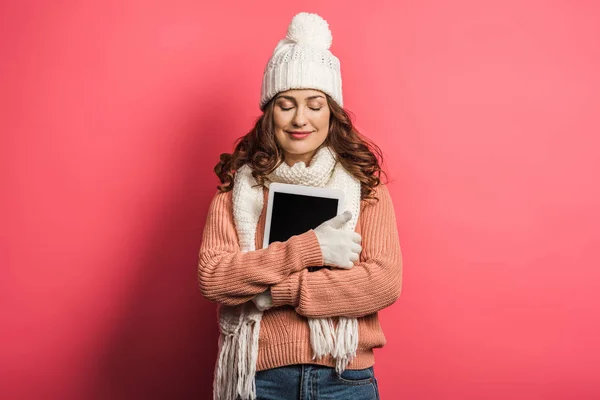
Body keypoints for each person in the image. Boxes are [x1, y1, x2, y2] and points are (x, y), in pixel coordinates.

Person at [198, 12, 402, 400]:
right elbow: (214, 276)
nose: (300, 119)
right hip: (260, 379)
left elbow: (381, 282)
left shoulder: (364, 187)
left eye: (314, 104)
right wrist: (310, 247)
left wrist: (278, 292)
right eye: (286, 104)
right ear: (269, 113)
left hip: (345, 378)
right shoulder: (236, 189)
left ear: (332, 113)